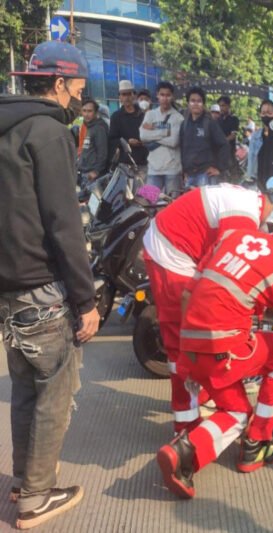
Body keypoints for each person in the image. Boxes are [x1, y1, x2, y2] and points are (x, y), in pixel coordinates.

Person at [156, 189, 273, 499]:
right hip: (223, 350)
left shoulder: (230, 239)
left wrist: (188, 359)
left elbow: (189, 295)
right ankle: (254, 444)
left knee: (235, 408)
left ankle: (182, 453)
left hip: (191, 345)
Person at [2, 40, 101, 529]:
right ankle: (37, 497)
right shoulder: (48, 132)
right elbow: (64, 222)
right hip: (42, 286)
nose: (78, 102)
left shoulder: (7, 128)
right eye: (77, 91)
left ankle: (23, 479)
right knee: (54, 393)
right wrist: (86, 299)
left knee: (26, 388)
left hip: (7, 287)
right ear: (59, 84)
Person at [142, 183, 273, 434]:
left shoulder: (250, 203)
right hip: (172, 254)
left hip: (177, 246)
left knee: (194, 337)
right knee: (181, 343)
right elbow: (229, 276)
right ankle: (185, 424)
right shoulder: (243, 218)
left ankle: (200, 394)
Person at [180, 86, 230, 188]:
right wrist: (184, 170)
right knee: (191, 204)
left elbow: (224, 145)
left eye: (199, 101)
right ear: (188, 103)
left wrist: (219, 168)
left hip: (205, 175)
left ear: (203, 104)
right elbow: (182, 148)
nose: (196, 104)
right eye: (192, 101)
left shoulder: (210, 123)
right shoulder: (184, 124)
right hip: (189, 175)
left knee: (205, 204)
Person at [140, 80, 184, 196]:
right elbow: (143, 136)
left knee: (172, 205)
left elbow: (174, 141)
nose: (165, 98)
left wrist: (153, 135)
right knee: (148, 202)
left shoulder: (178, 118)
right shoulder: (150, 115)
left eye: (168, 95)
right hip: (153, 168)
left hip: (172, 169)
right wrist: (165, 133)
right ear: (157, 95)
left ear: (172, 96)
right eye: (162, 95)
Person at [109, 79, 148, 181]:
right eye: (123, 94)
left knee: (147, 195)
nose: (126, 98)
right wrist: (127, 142)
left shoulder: (143, 114)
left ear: (134, 95)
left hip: (144, 163)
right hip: (125, 164)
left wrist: (144, 141)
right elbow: (112, 140)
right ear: (120, 97)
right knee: (126, 195)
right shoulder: (116, 117)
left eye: (129, 94)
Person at [78, 99, 109, 185]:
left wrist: (96, 171)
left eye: (89, 111)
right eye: (84, 111)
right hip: (85, 173)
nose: (86, 114)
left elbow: (102, 152)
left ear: (96, 113)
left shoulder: (99, 128)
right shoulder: (89, 126)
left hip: (93, 176)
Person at [246, 99, 273, 181]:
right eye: (263, 113)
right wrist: (250, 178)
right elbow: (251, 159)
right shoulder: (255, 136)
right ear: (260, 114)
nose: (266, 115)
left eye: (269, 113)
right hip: (259, 179)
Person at [217, 95, 240, 177]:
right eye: (219, 106)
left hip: (229, 153)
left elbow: (233, 135)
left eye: (223, 105)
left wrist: (221, 141)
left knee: (231, 178)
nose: (221, 108)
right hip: (218, 154)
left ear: (228, 106)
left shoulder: (234, 119)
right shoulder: (217, 119)